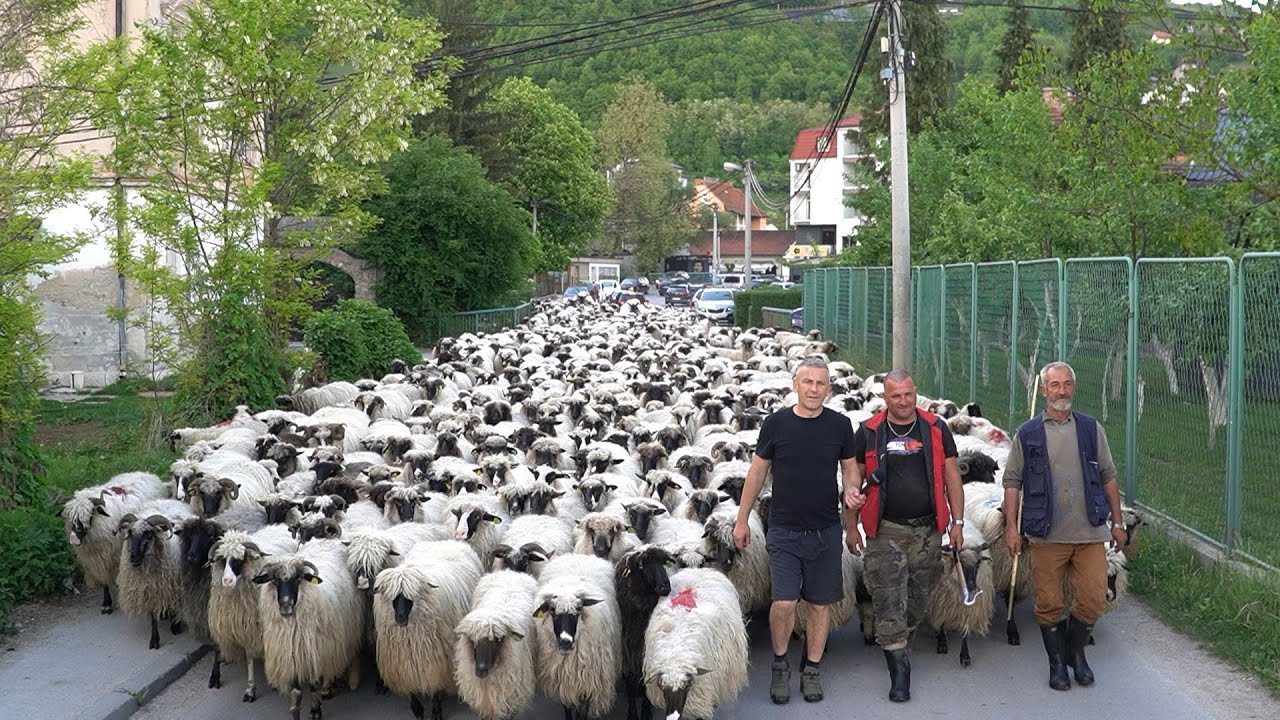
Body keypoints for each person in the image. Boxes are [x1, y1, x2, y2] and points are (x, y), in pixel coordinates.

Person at [734, 356, 864, 705]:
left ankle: (812, 668)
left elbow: (851, 469)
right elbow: (757, 472)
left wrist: (852, 489)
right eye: (808, 382)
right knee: (784, 601)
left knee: (820, 606)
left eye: (821, 383)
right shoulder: (776, 424)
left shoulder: (839, 425)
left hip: (825, 530)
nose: (814, 389)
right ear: (795, 385)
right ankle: (779, 665)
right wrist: (742, 518)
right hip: (784, 529)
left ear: (829, 389)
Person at [1003, 361, 1126, 691]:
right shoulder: (1027, 433)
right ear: (1043, 390)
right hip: (1046, 534)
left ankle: (1075, 653)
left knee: (1093, 599)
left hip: (1089, 532)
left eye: (1067, 384)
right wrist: (1011, 529)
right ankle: (1057, 664)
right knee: (1049, 603)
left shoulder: (1089, 428)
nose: (1061, 391)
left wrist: (1118, 521)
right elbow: (1012, 481)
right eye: (1054, 385)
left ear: (1073, 386)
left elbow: (1108, 476)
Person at [846, 368, 965, 703]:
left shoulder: (936, 428)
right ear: (885, 397)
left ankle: (901, 635)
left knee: (920, 595)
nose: (903, 401)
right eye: (895, 395)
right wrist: (850, 522)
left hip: (928, 528)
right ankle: (899, 669)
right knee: (887, 597)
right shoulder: (869, 431)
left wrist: (957, 523)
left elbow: (952, 476)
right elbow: (854, 477)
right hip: (887, 530)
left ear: (916, 393)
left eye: (908, 394)